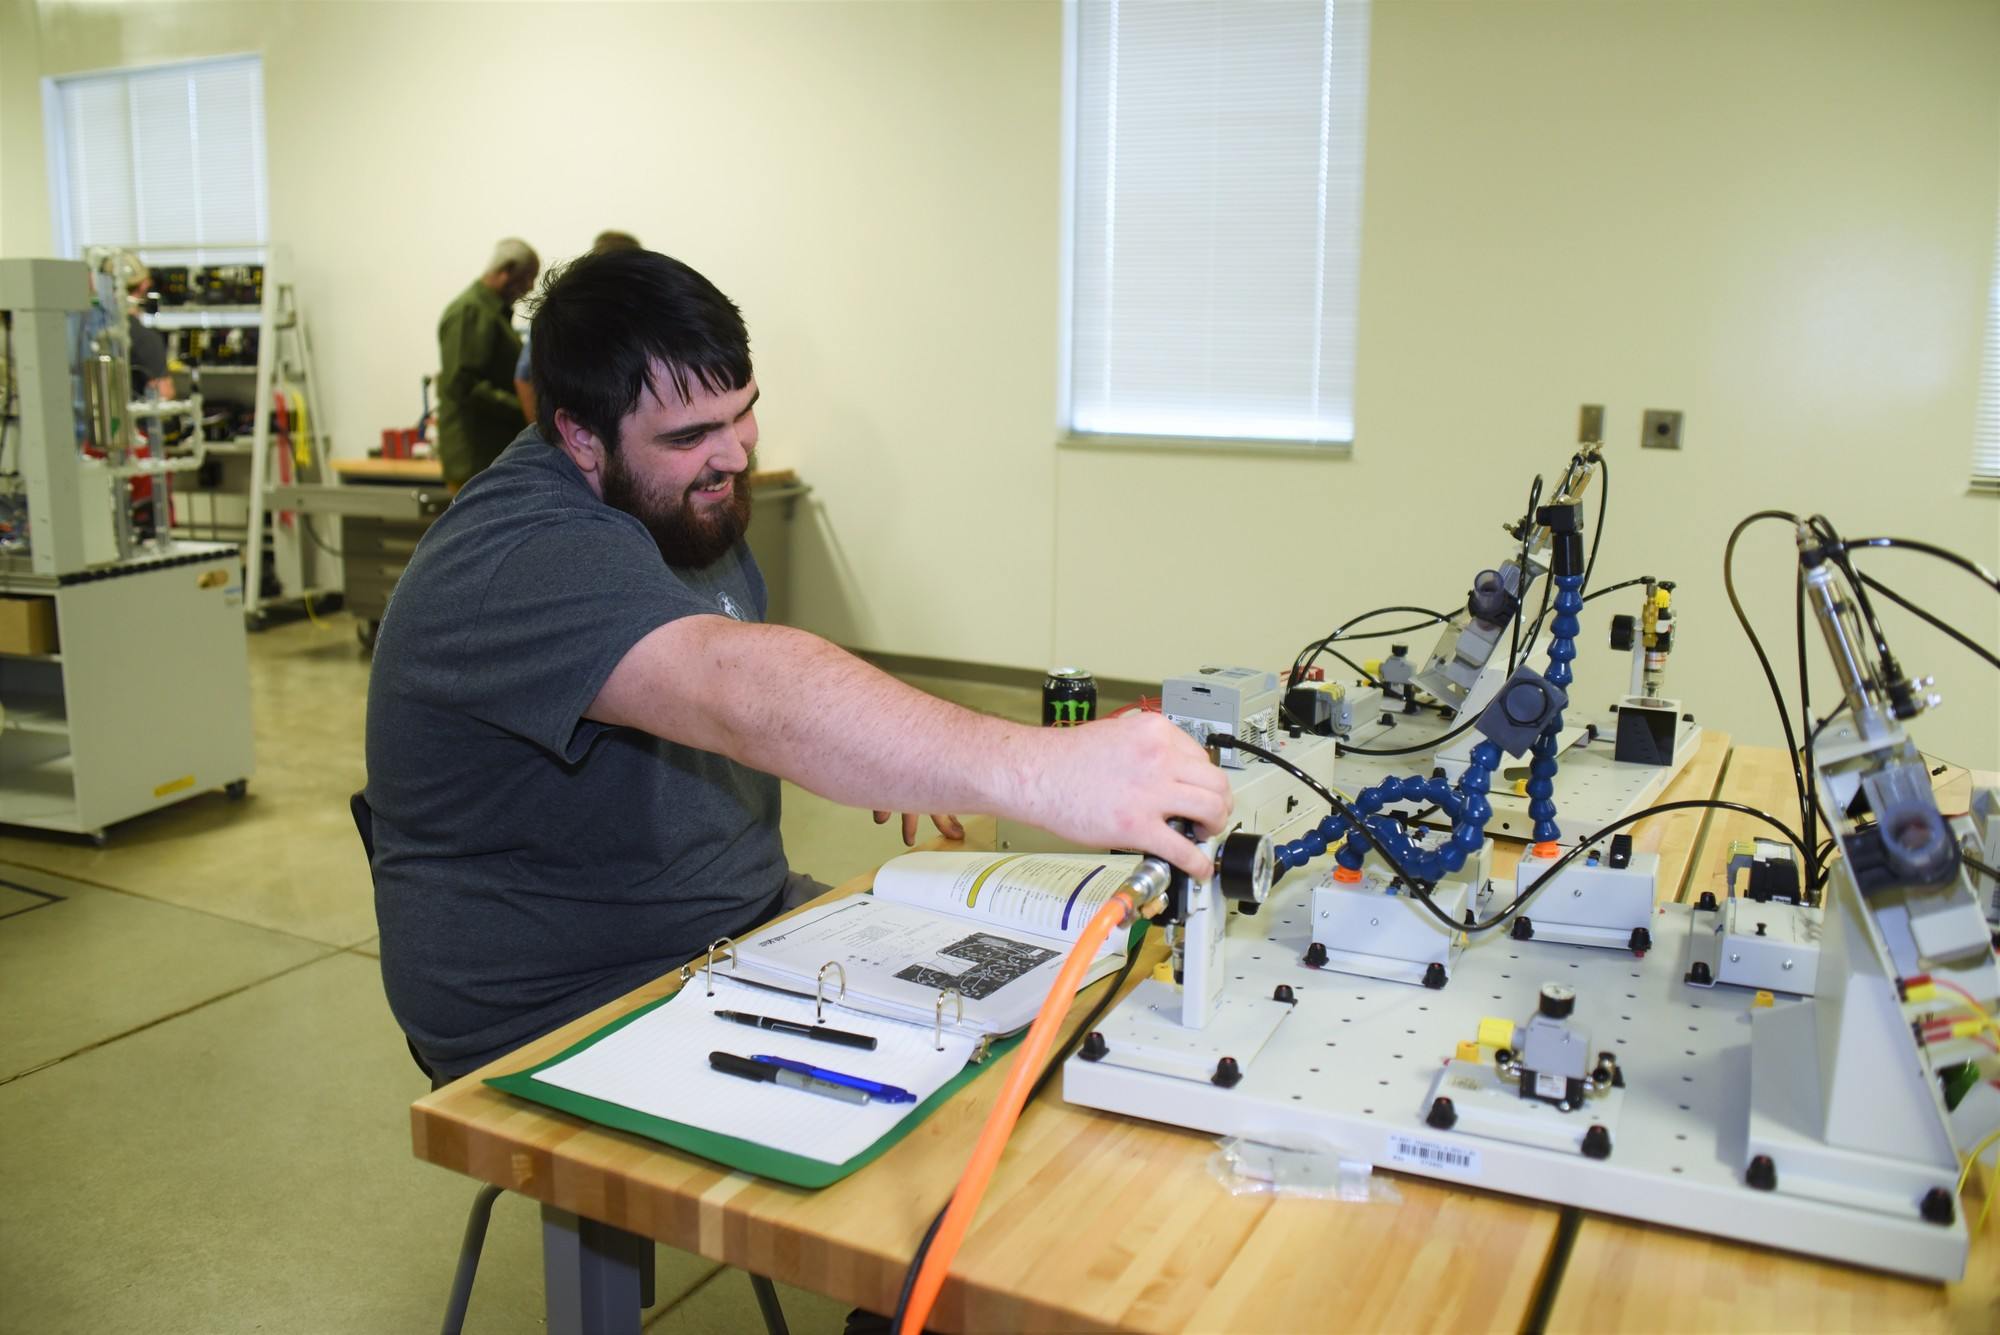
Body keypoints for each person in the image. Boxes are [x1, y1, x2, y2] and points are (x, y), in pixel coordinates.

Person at [365, 248, 1231, 1083]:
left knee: (1068, 995)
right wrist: (1037, 770)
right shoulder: (522, 554)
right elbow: (735, 688)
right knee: (956, 1106)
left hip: (747, 923)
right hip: (565, 997)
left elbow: (762, 690)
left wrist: (889, 748)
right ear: (579, 438)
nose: (736, 453)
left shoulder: (681, 503)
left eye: (743, 409)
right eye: (691, 433)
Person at [436, 237, 539, 487]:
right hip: (474, 458)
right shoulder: (472, 312)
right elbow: (463, 385)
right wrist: (523, 408)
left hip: (487, 456)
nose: (529, 287)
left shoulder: (491, 313)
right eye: (527, 277)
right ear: (508, 271)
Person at [514, 229, 642, 422]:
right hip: (571, 433)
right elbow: (524, 377)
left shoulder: (640, 316)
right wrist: (539, 429)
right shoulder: (563, 314)